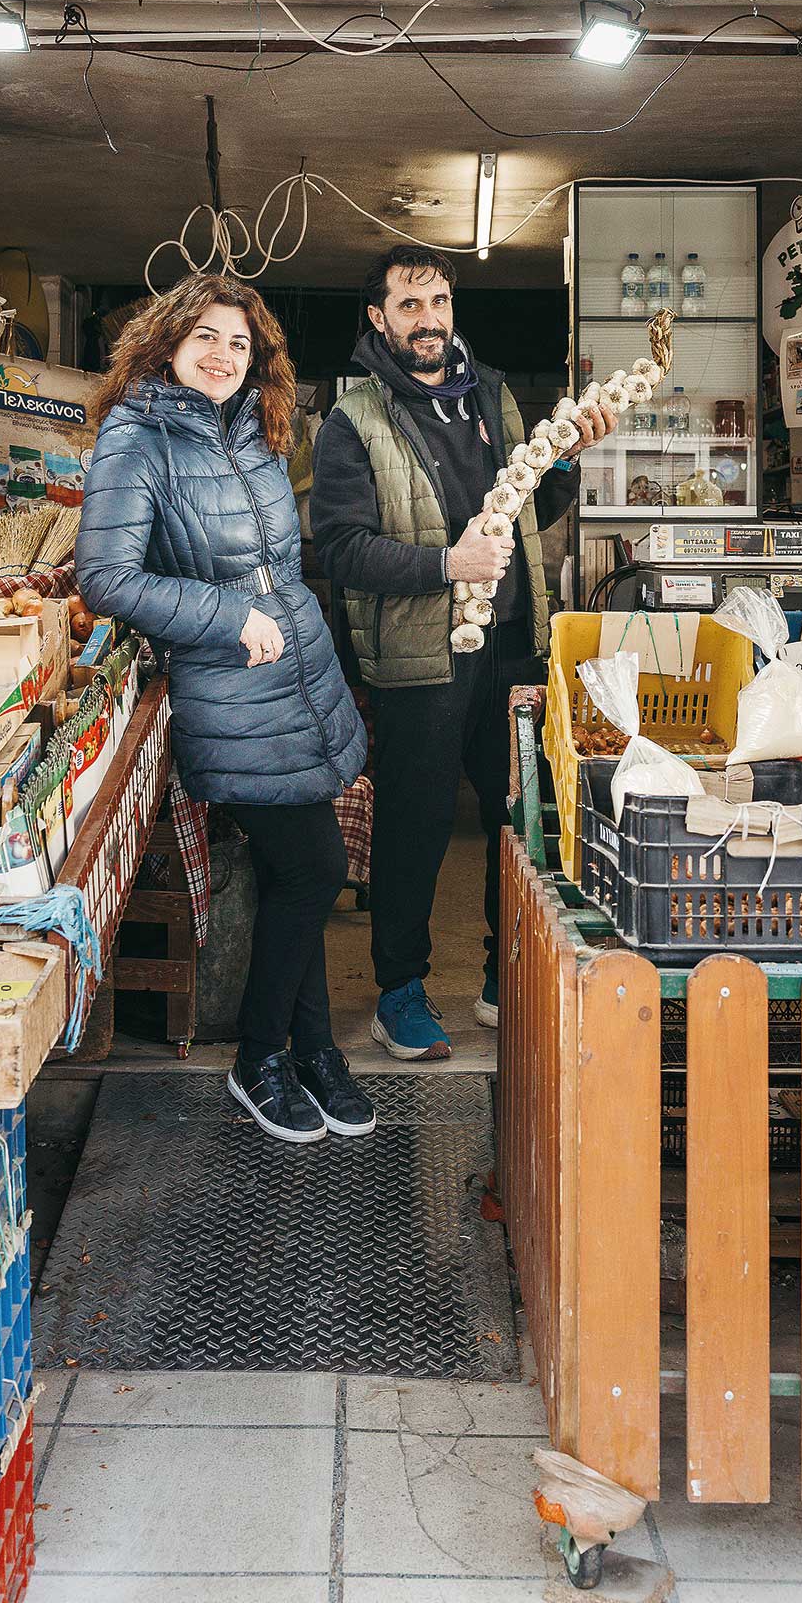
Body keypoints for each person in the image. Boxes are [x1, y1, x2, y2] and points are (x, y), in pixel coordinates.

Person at [77, 271, 370, 1144]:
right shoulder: (137, 442)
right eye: (205, 335)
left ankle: (312, 1051)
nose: (222, 354)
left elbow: (279, 562)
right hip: (227, 690)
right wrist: (228, 614)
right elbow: (107, 580)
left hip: (297, 681)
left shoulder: (256, 433)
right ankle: (258, 1061)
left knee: (296, 878)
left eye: (239, 342)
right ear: (168, 344)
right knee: (316, 868)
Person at [310, 245, 615, 1060]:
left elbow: (530, 506)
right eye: (409, 306)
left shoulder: (494, 396)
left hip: (513, 645)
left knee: (520, 820)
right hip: (419, 657)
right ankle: (399, 994)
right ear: (378, 319)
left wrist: (569, 459)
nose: (429, 319)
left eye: (438, 301)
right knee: (417, 825)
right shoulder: (354, 422)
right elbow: (339, 549)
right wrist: (447, 564)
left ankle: (497, 977)